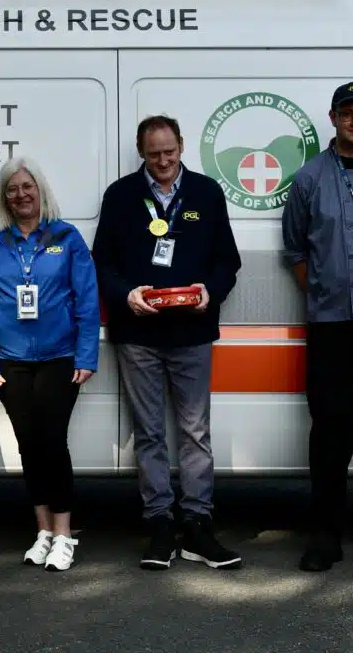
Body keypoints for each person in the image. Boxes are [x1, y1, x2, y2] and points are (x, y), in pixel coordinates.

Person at [92, 115, 242, 571]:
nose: (163, 161)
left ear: (181, 145)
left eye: (169, 152)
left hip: (192, 332)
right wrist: (126, 295)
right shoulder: (120, 195)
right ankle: (159, 523)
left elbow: (228, 260)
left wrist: (209, 292)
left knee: (196, 432)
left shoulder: (206, 193)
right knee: (150, 433)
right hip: (137, 334)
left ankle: (197, 524)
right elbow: (102, 262)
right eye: (154, 154)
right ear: (142, 152)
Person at [0, 157, 100, 572]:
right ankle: (43, 531)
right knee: (28, 443)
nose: (21, 194)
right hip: (10, 361)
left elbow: (87, 299)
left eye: (27, 186)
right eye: (12, 188)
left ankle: (64, 534)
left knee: (52, 442)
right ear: (3, 196)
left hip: (60, 357)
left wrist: (86, 354)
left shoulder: (67, 237)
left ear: (40, 190)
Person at [282, 81, 353, 572]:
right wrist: (326, 291)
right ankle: (325, 535)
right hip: (332, 325)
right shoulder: (309, 178)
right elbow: (296, 251)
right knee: (330, 433)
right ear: (333, 117)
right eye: (347, 112)